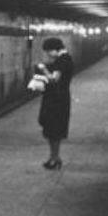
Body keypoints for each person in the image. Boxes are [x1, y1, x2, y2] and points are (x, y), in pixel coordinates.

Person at [35, 37, 74, 170]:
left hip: (57, 100)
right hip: (57, 98)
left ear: (55, 49)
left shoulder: (63, 60)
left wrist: (43, 68)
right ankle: (54, 158)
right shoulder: (63, 59)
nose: (47, 54)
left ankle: (55, 159)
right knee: (52, 130)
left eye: (48, 51)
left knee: (54, 131)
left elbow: (54, 79)